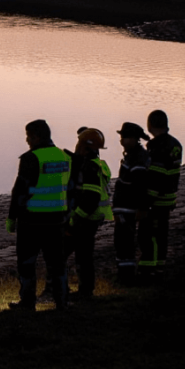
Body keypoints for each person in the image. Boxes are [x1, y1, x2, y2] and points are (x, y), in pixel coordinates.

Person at [6, 119, 71, 311]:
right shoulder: (64, 156)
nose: (27, 140)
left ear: (36, 137)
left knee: (27, 263)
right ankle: (62, 302)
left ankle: (27, 303)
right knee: (57, 263)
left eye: (28, 136)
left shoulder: (31, 158)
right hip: (57, 219)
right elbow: (70, 188)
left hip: (32, 220)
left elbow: (20, 191)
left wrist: (12, 217)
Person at [64, 128, 113, 299]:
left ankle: (76, 291)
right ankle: (85, 291)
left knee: (65, 254)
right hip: (92, 219)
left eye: (79, 142)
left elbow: (90, 198)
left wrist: (74, 220)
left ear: (85, 145)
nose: (76, 145)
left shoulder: (89, 167)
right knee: (84, 256)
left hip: (85, 219)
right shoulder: (96, 164)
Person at [139, 110, 183, 279]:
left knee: (150, 236)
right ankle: (158, 268)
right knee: (161, 235)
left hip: (157, 199)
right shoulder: (175, 144)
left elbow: (156, 177)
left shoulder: (158, 147)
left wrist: (146, 203)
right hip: (169, 196)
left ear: (150, 125)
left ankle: (150, 271)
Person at [112, 122, 150, 283]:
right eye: (121, 137)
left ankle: (126, 277)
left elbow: (141, 186)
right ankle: (125, 275)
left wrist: (141, 208)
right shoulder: (133, 156)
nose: (122, 141)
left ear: (135, 139)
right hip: (124, 208)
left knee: (124, 243)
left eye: (125, 137)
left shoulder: (137, 158)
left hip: (128, 209)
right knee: (123, 243)